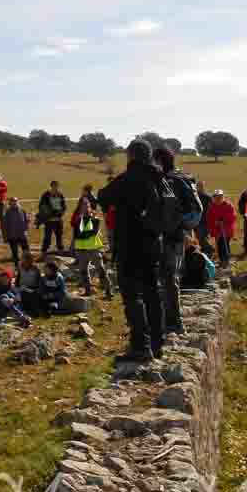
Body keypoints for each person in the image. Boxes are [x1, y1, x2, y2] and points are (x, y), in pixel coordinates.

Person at [98, 139, 167, 361]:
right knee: (153, 292)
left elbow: (103, 196)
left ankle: (140, 346)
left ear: (131, 156)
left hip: (129, 245)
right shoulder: (159, 178)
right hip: (154, 244)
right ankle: (158, 342)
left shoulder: (127, 179)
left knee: (132, 295)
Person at [153, 147, 202, 336]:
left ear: (159, 161)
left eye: (153, 160)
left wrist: (172, 225)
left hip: (168, 237)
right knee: (169, 278)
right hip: (174, 236)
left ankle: (173, 322)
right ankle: (169, 321)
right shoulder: (179, 180)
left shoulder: (169, 181)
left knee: (167, 278)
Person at [72, 197, 113, 298]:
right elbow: (77, 234)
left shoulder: (94, 220)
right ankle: (88, 290)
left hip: (93, 249)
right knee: (83, 271)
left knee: (101, 270)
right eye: (83, 206)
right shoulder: (78, 220)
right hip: (81, 249)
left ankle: (108, 291)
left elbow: (92, 233)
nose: (85, 208)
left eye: (86, 205)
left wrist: (83, 232)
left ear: (89, 207)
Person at [206, 190, 236, 269]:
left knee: (224, 245)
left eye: (220, 197)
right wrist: (215, 223)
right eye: (216, 197)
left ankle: (225, 261)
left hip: (226, 231)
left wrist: (224, 221)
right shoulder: (212, 207)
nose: (218, 199)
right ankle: (222, 260)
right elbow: (209, 219)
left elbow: (232, 217)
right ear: (214, 198)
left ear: (222, 197)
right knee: (219, 246)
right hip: (217, 231)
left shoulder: (228, 206)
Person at [37, 181, 67, 254]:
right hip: (49, 220)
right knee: (47, 237)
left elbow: (63, 205)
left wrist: (61, 212)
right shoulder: (46, 195)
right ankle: (44, 250)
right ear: (51, 186)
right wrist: (49, 213)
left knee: (59, 236)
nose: (55, 188)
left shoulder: (60, 194)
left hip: (58, 219)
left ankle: (60, 249)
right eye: (54, 186)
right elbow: (41, 206)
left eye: (56, 186)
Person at [2, 197, 30, 268]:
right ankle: (17, 266)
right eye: (12, 202)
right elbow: (5, 225)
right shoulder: (7, 212)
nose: (14, 203)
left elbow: (26, 221)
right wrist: (5, 236)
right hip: (12, 236)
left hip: (22, 234)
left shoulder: (22, 211)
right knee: (15, 253)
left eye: (15, 201)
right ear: (10, 203)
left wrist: (26, 228)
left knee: (26, 251)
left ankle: (28, 264)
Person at [195, 181, 214, 256]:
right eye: (199, 186)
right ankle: (205, 251)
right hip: (197, 220)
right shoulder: (195, 196)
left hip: (205, 221)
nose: (200, 188)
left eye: (201, 186)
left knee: (203, 237)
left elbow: (212, 208)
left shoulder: (207, 197)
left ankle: (209, 250)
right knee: (199, 237)